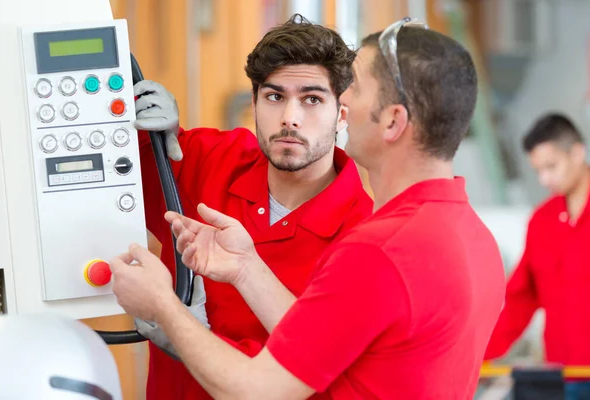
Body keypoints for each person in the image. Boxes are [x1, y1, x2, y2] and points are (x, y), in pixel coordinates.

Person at [112, 17, 506, 399]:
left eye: (353, 92)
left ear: (391, 121)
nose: (346, 102)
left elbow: (259, 389)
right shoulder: (474, 238)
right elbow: (324, 348)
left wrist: (167, 310)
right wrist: (247, 268)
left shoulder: (377, 250)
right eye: (274, 96)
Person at [133, 14, 373, 400]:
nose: (290, 118)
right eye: (275, 96)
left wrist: (183, 332)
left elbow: (314, 377)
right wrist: (139, 125)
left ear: (340, 115)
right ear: (255, 102)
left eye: (312, 99)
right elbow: (113, 175)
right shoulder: (209, 158)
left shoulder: (363, 237)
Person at [484, 113, 590, 399]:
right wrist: (477, 353)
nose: (545, 179)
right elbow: (519, 299)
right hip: (563, 378)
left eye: (551, 167)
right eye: (538, 170)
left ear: (577, 152)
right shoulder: (541, 223)